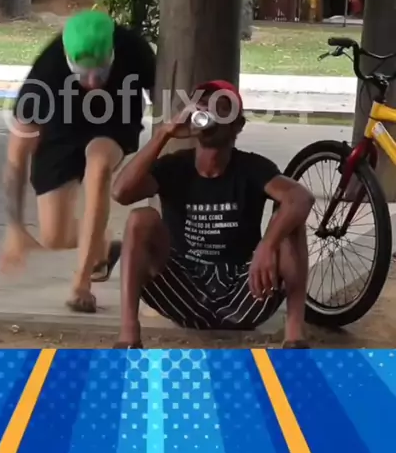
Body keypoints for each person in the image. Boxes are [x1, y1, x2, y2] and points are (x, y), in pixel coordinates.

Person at [112, 81, 314, 348]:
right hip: (184, 291)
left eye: (221, 108)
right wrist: (164, 133)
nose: (210, 113)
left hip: (244, 291)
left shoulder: (252, 167)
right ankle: (128, 337)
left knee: (289, 222)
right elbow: (121, 192)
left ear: (237, 125)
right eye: (203, 106)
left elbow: (301, 198)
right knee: (141, 219)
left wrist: (267, 245)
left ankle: (295, 335)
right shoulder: (175, 167)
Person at [0, 8, 156, 313]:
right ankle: (101, 244)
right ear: (69, 61)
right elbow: (17, 157)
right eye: (83, 75)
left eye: (102, 73)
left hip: (115, 121)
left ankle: (81, 284)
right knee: (54, 236)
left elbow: (165, 99)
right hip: (61, 130)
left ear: (113, 53)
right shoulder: (47, 71)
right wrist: (14, 224)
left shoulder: (133, 48)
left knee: (98, 165)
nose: (94, 82)